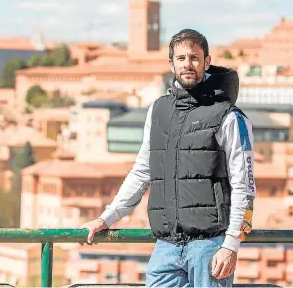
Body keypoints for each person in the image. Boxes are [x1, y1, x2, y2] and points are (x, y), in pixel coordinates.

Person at [80, 29, 256, 287]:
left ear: (207, 62)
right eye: (181, 58)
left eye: (194, 58)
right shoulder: (159, 110)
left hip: (210, 248)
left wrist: (231, 244)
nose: (188, 64)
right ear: (171, 63)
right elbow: (142, 171)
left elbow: (245, 186)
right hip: (166, 248)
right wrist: (107, 217)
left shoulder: (230, 117)